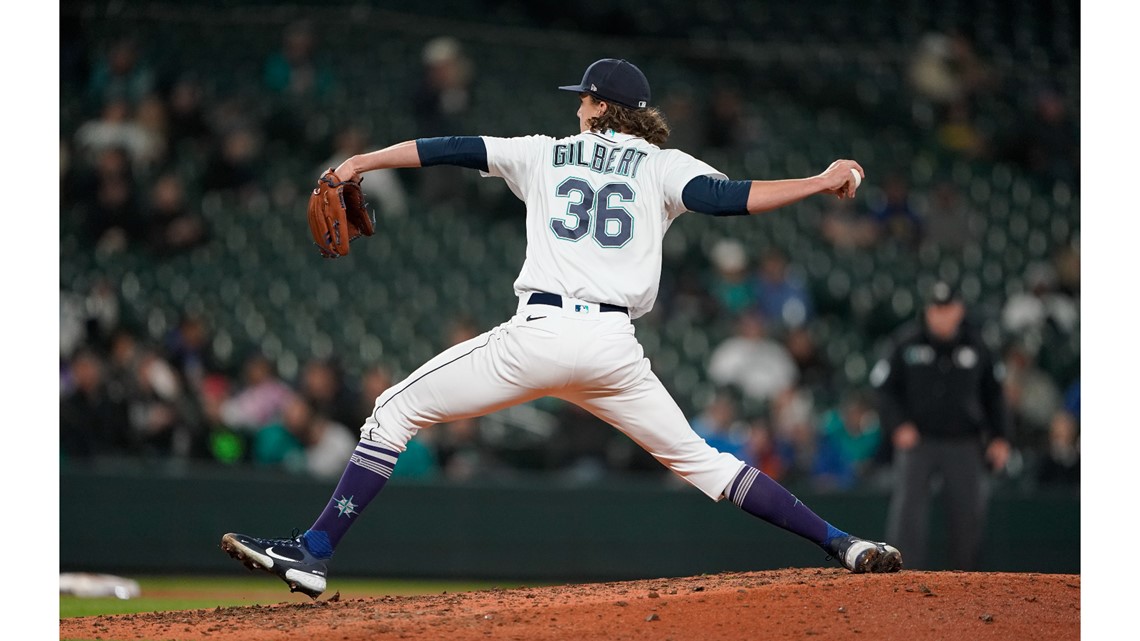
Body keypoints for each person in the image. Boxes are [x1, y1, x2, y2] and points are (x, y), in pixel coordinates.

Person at [221, 58, 901, 599]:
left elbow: (447, 149)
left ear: (604, 106)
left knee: (393, 410)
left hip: (541, 334)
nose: (576, 103)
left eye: (585, 97)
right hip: (613, 351)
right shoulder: (664, 165)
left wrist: (356, 164)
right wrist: (820, 179)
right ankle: (843, 541)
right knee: (710, 466)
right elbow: (731, 199)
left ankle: (312, 553)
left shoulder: (544, 152)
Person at [871, 280, 1010, 570]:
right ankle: (901, 578)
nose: (942, 315)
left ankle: (966, 580)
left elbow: (994, 395)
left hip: (964, 442)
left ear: (959, 310)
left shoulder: (977, 345)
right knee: (908, 513)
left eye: (948, 309)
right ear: (928, 311)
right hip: (919, 441)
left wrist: (1000, 437)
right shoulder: (906, 342)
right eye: (936, 308)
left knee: (968, 514)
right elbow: (884, 389)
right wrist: (897, 425)